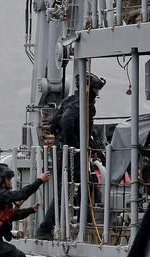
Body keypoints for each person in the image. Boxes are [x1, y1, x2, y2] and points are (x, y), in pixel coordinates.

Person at [37, 72, 106, 240]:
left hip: (71, 150)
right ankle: (45, 228)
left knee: (86, 186)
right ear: (88, 88)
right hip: (69, 152)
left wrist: (95, 148)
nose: (98, 93)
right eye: (96, 89)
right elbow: (67, 122)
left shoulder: (78, 102)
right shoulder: (78, 104)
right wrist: (75, 145)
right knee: (65, 190)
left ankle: (86, 221)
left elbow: (87, 130)